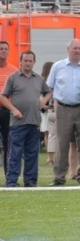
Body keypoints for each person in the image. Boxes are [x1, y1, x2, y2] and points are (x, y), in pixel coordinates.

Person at [0, 50, 50, 187]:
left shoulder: (38, 79)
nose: (28, 63)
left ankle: (31, 182)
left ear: (34, 62)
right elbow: (3, 96)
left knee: (32, 155)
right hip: (17, 123)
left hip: (34, 122)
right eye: (25, 61)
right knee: (15, 154)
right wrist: (13, 109)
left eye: (30, 61)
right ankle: (11, 182)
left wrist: (44, 100)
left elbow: (49, 92)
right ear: (20, 62)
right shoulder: (13, 77)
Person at [47, 39, 80, 186]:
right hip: (63, 109)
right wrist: (53, 104)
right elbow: (49, 87)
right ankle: (59, 177)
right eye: (74, 48)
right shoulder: (57, 67)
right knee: (62, 144)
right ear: (68, 50)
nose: (77, 51)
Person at [0, 40, 18, 177]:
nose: (3, 51)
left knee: (8, 144)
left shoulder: (13, 72)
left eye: (6, 49)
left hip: (7, 112)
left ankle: (9, 176)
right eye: (1, 48)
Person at [39, 61, 55, 165]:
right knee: (53, 134)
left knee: (47, 134)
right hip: (52, 109)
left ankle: (49, 158)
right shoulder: (53, 81)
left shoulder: (41, 81)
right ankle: (52, 157)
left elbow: (39, 97)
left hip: (44, 111)